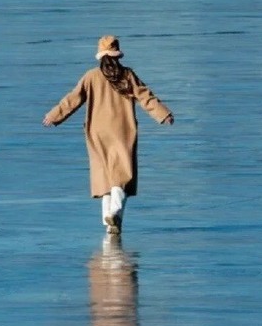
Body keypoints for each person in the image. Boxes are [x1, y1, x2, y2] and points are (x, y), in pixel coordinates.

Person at [42, 35, 174, 234]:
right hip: (122, 129)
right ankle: (115, 213)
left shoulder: (91, 76)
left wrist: (54, 116)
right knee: (122, 175)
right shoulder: (127, 75)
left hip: (98, 130)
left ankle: (110, 224)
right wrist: (163, 114)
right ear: (117, 54)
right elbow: (145, 96)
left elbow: (73, 99)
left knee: (104, 178)